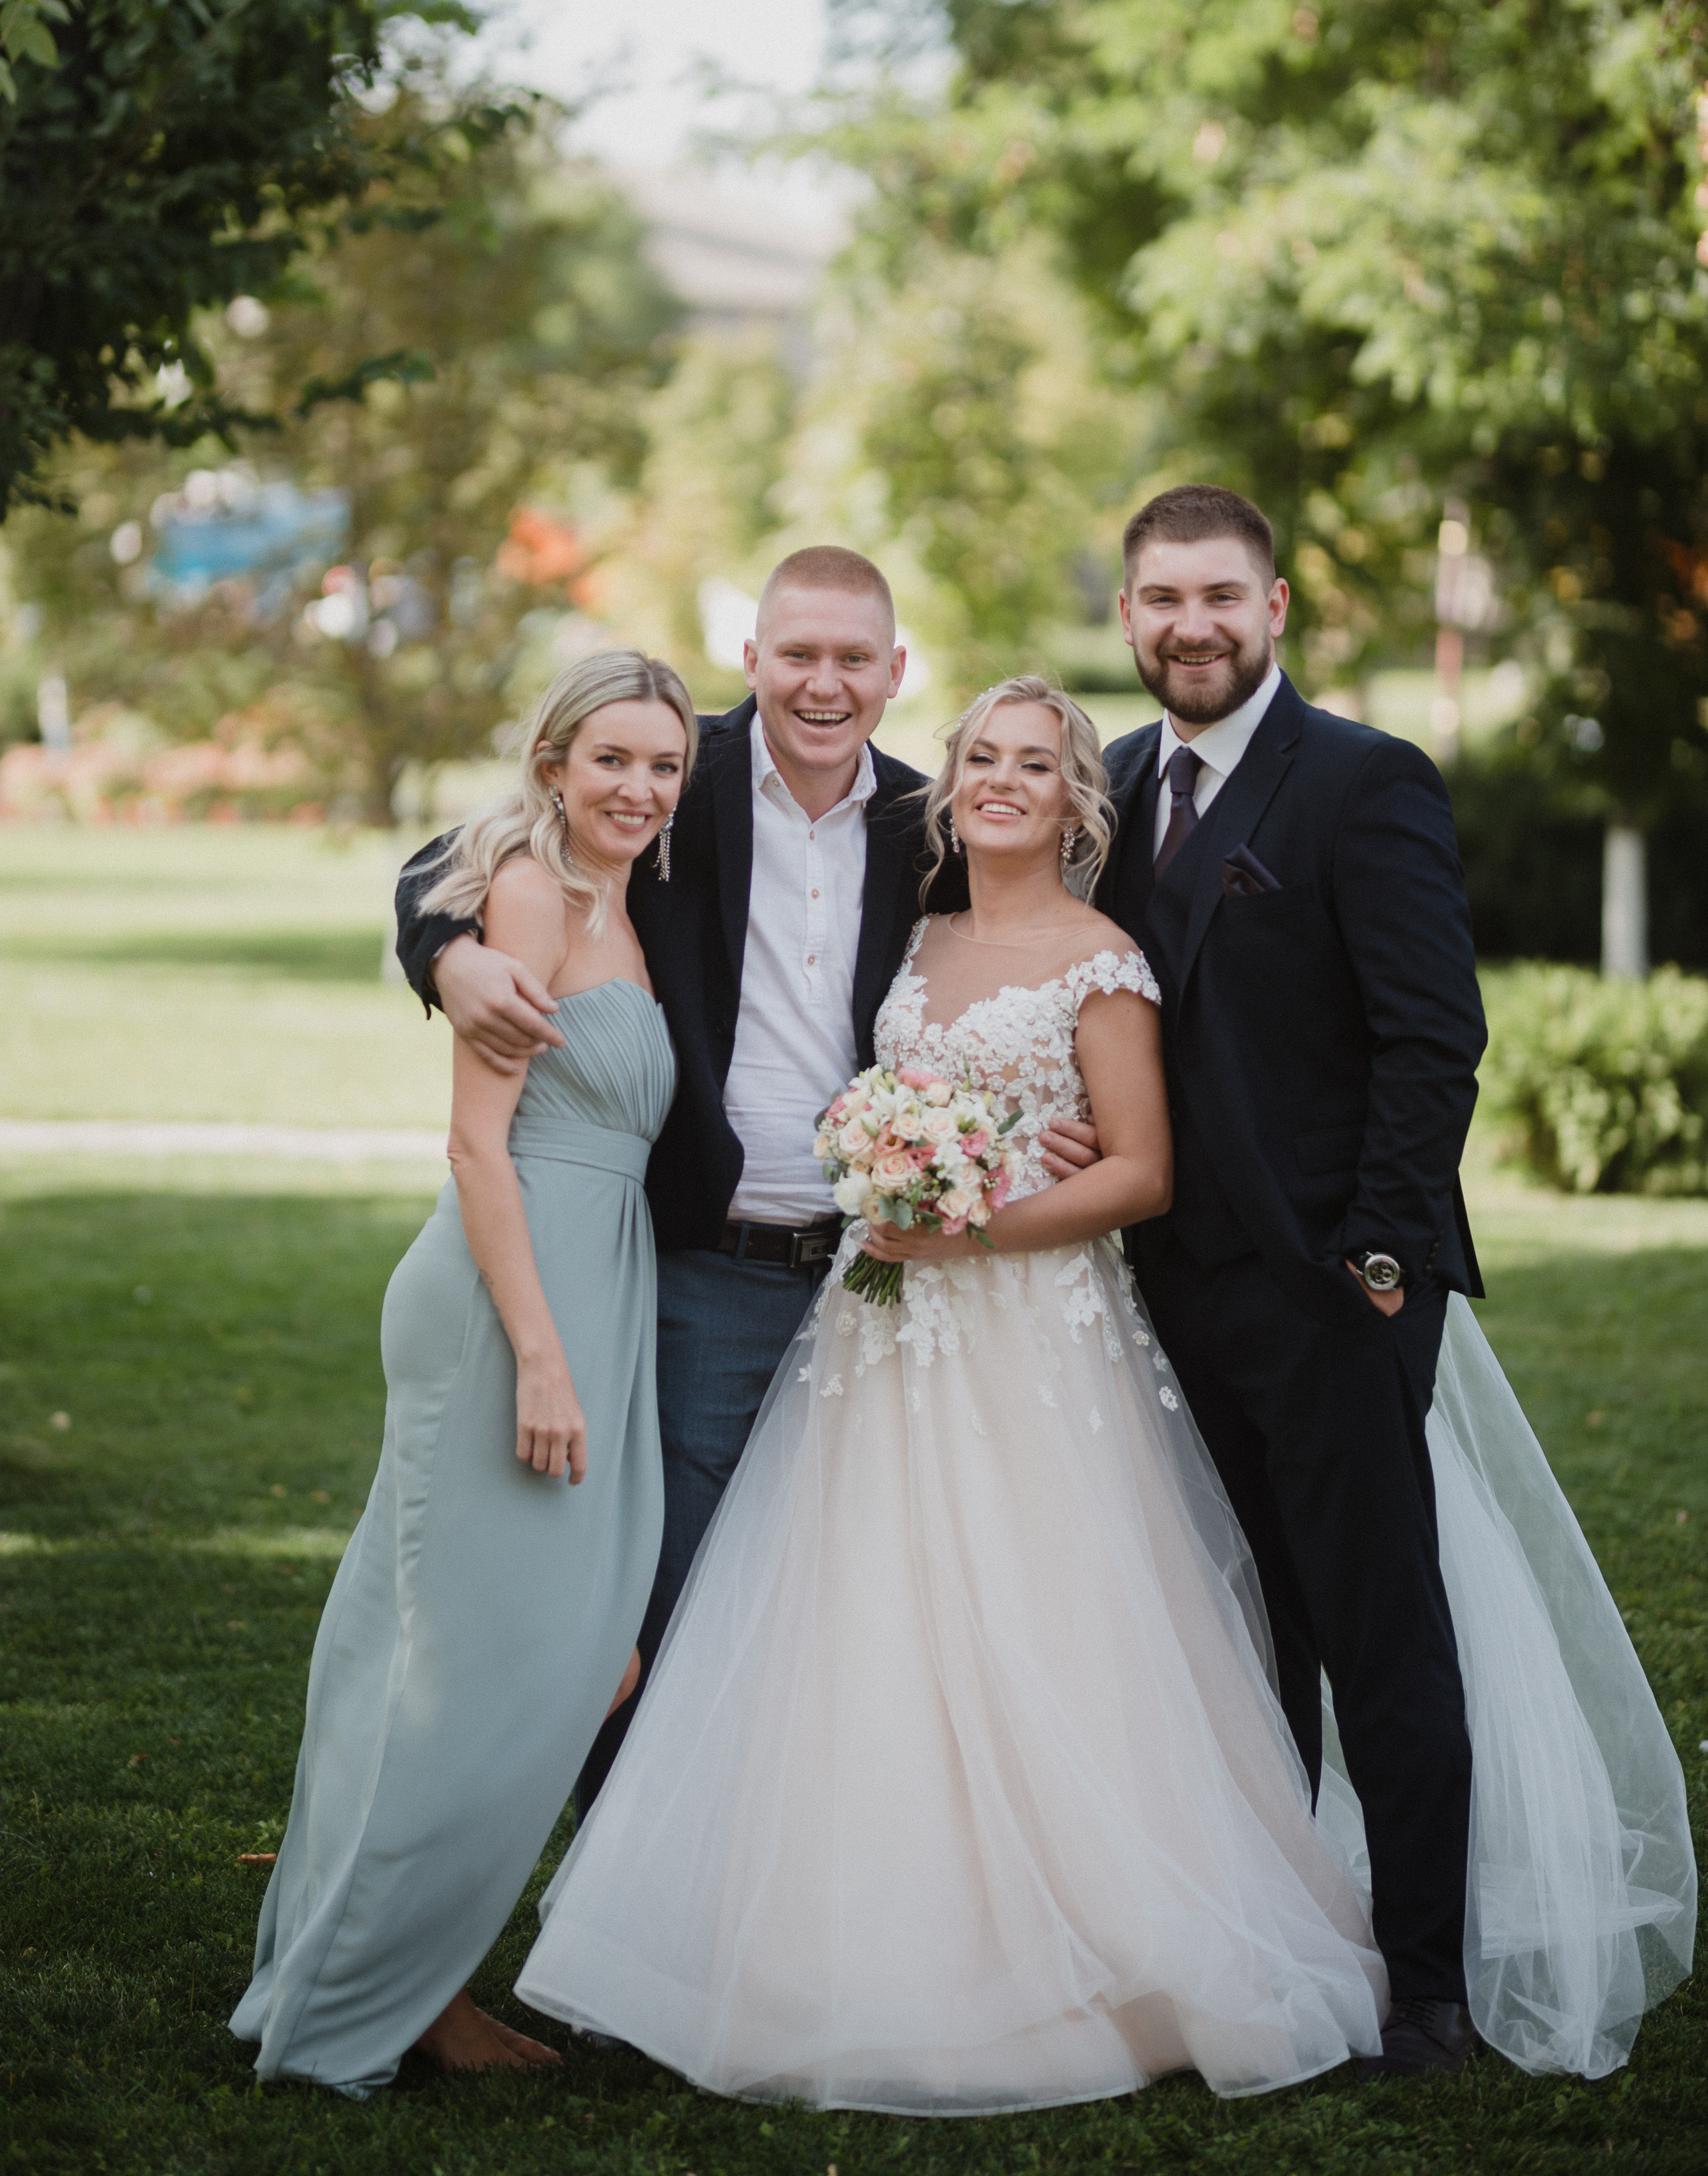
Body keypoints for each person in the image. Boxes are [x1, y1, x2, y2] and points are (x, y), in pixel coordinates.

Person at [513, 677, 1392, 2105]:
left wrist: (962, 1221)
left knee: (1039, 1616)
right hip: (879, 1337)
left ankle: (1074, 1940)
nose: (996, 780)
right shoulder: (915, 941)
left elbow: (1139, 1171)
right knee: (862, 1615)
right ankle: (837, 1932)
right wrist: (893, 1177)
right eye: (977, 756)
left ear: (1071, 800)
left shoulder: (1100, 962)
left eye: (1031, 765)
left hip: (1029, 1339)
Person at [1091, 481, 1693, 2079]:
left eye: (1219, 597)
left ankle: (1422, 1980)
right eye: (1160, 601)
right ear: (1127, 614)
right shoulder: (1105, 786)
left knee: (1379, 1633)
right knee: (1231, 1634)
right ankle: (1276, 1936)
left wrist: (1372, 1256)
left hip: (1326, 1295)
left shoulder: (1362, 781)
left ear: (1273, 607)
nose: (1190, 627)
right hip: (1150, 1299)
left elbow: (1435, 1039)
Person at [393, 548, 1094, 1802]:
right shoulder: (671, 774)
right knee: (665, 1593)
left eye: (851, 660)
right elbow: (455, 857)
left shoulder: (926, 821)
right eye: (798, 656)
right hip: (708, 1265)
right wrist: (448, 956)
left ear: (894, 673)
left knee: (851, 1598)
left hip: (888, 1278)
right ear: (755, 661)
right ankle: (617, 1924)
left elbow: (1029, 957)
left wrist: (1059, 1111)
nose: (823, 686)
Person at [231, 649, 693, 2095]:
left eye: (663, 766)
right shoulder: (528, 895)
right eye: (608, 759)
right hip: (514, 1302)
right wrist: (543, 1361)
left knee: (529, 1655)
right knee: (485, 1667)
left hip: (595, 1288)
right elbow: (475, 1147)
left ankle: (401, 1971)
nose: (637, 787)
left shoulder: (620, 896)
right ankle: (376, 1999)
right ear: (551, 763)